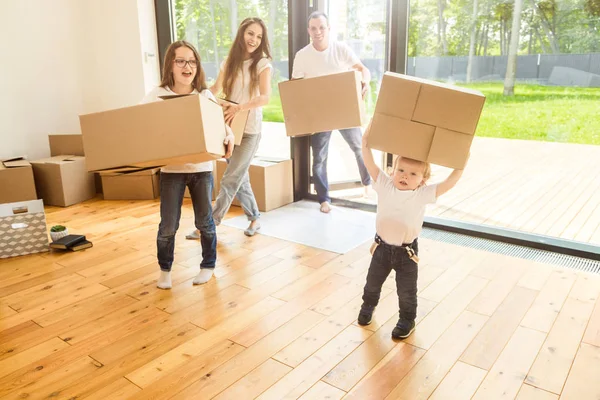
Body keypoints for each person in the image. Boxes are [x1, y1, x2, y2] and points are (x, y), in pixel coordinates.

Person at [357, 122, 466, 339]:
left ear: (423, 181)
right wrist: (366, 139)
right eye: (401, 170)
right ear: (392, 171)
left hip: (406, 254)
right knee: (372, 283)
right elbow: (368, 159)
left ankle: (407, 319)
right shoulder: (384, 184)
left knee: (407, 292)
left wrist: (461, 164)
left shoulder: (422, 194)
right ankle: (368, 306)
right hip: (381, 248)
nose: (405, 176)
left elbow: (449, 183)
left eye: (413, 174)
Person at [141, 41, 235, 290]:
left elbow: (221, 125)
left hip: (201, 170)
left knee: (205, 222)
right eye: (181, 61)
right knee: (168, 225)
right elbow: (140, 124)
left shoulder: (204, 95)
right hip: (171, 171)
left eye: (192, 61)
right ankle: (165, 270)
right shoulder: (157, 95)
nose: (187, 66)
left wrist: (230, 135)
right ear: (170, 65)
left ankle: (208, 266)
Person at [186, 17, 272, 240]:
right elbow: (215, 88)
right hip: (228, 128)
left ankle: (210, 224)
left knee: (231, 178)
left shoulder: (263, 64)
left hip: (250, 128)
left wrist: (239, 107)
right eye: (250, 33)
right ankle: (254, 217)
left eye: (259, 36)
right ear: (242, 33)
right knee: (239, 177)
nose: (254, 39)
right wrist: (195, 101)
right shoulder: (229, 62)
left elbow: (265, 97)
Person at [291, 11, 372, 214]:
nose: (318, 32)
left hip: (344, 108)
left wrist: (365, 82)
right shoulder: (302, 56)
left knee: (360, 147)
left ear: (328, 29)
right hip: (320, 114)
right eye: (313, 28)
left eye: (322, 27)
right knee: (319, 158)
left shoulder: (340, 49)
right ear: (308, 30)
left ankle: (368, 184)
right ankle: (323, 199)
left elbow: (363, 69)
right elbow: (296, 88)